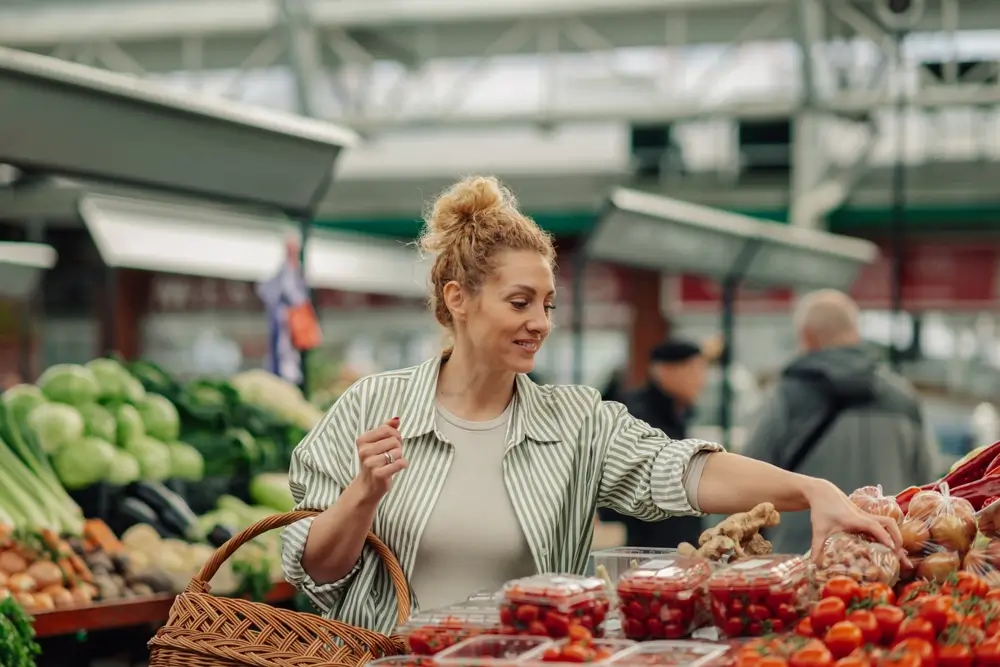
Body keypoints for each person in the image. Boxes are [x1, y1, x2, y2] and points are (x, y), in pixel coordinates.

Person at [280, 177, 903, 633]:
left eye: (548, 305)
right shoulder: (373, 406)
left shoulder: (575, 419)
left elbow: (682, 470)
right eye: (520, 302)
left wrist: (811, 489)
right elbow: (317, 572)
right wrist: (362, 493)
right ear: (459, 299)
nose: (540, 322)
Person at [741, 288, 938, 554]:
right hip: (887, 560)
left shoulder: (786, 396)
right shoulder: (903, 397)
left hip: (806, 560)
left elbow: (749, 479)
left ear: (807, 336)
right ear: (855, 332)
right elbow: (927, 488)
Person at [597, 339, 710, 548]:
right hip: (645, 549)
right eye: (694, 371)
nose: (702, 381)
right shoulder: (635, 416)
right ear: (665, 371)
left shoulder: (677, 412)